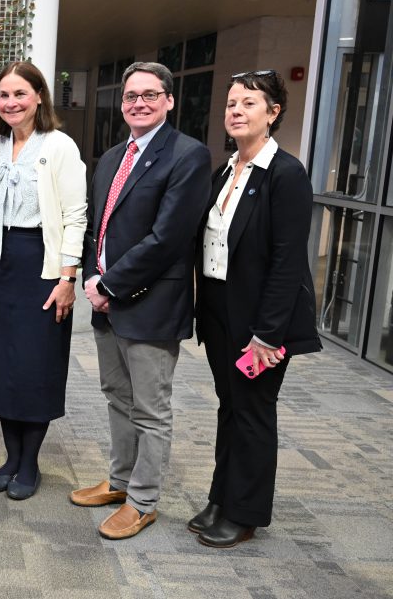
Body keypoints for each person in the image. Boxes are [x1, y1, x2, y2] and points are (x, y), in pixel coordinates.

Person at [71, 61, 211, 539]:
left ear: (169, 101)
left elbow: (169, 238)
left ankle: (144, 501)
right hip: (106, 299)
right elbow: (99, 229)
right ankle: (120, 480)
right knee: (116, 396)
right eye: (131, 96)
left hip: (150, 304)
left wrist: (109, 286)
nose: (139, 103)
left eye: (150, 95)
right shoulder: (112, 157)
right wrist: (93, 277)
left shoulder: (188, 156)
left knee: (151, 409)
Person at [190, 70, 321, 547]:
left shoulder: (285, 174)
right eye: (230, 104)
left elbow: (288, 262)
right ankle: (222, 497)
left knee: (253, 413)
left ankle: (245, 513)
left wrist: (268, 334)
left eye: (248, 103)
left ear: (273, 112)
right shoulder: (226, 169)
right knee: (231, 408)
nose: (236, 112)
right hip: (221, 310)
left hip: (261, 320)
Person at [0, 62, 87, 499]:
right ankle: (9, 457)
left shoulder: (59, 146)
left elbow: (76, 215)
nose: (11, 103)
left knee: (34, 365)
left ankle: (29, 463)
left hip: (41, 267)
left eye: (20, 94)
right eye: (4, 95)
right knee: (3, 365)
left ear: (39, 96)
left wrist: (67, 277)